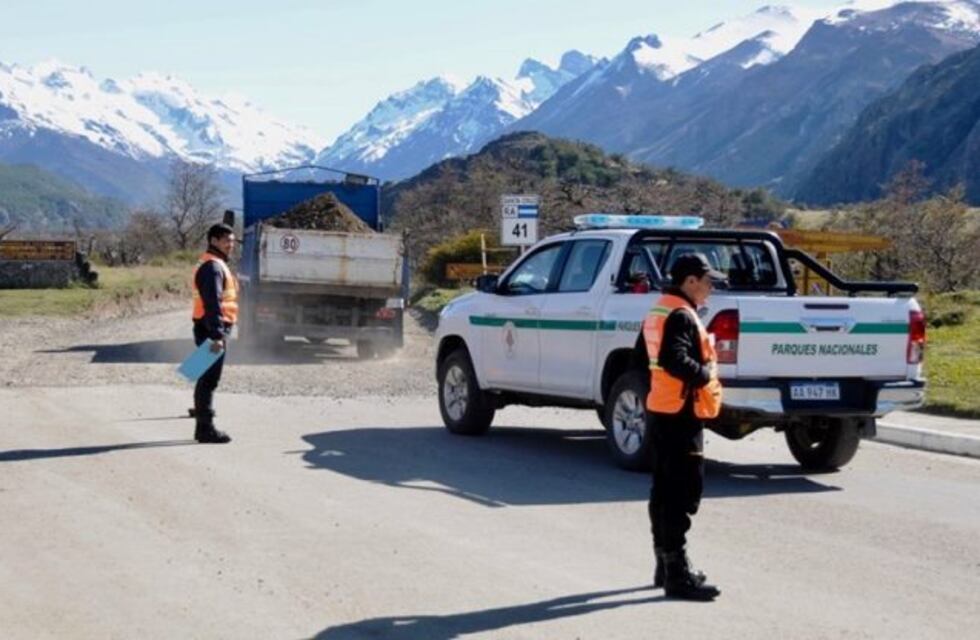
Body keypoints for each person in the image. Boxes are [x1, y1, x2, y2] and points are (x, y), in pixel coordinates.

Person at [643, 253, 724, 601]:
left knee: (663, 492)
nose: (711, 288)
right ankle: (678, 574)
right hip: (681, 414)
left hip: (663, 410)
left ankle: (666, 565)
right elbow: (674, 359)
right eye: (708, 282)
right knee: (682, 493)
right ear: (690, 281)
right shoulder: (680, 315)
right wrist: (703, 375)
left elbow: (641, 360)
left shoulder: (660, 309)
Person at [190, 223, 238, 444]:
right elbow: (213, 303)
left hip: (206, 327)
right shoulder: (213, 267)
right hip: (211, 329)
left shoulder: (213, 263)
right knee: (209, 379)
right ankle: (204, 428)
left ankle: (200, 413)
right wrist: (217, 335)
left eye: (232, 240)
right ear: (214, 241)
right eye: (227, 240)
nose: (231, 245)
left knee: (203, 375)